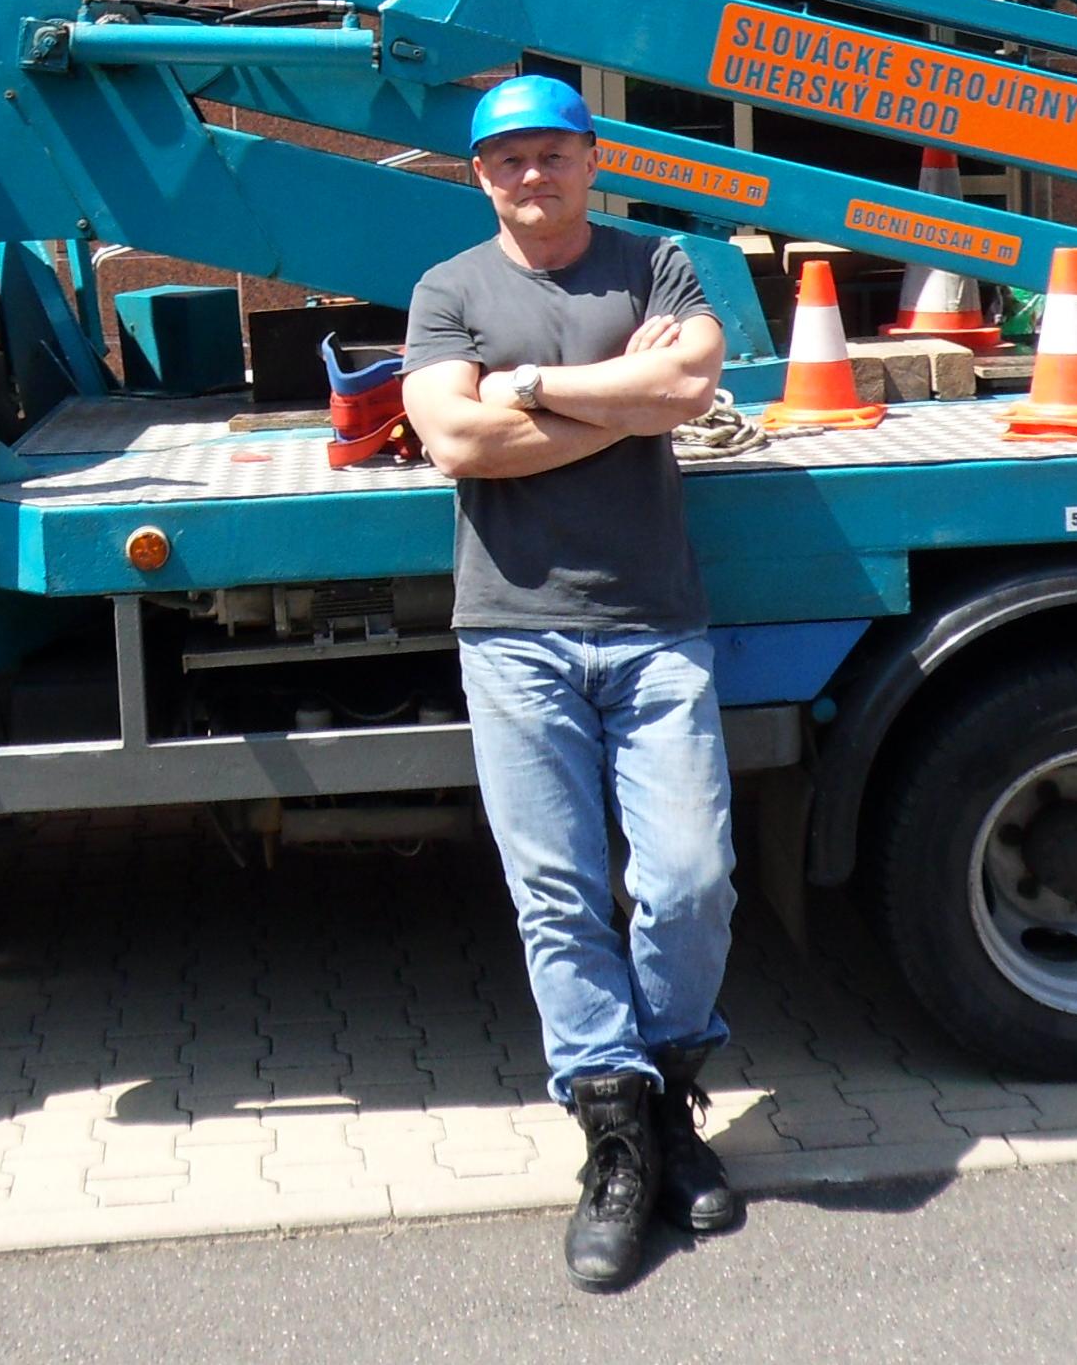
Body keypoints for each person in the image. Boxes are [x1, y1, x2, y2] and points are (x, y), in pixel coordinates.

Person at [400, 75, 741, 1291]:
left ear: (593, 157)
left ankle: (666, 1098)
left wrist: (533, 387)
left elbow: (693, 389)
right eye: (505, 161)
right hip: (514, 631)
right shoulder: (451, 290)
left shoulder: (657, 264)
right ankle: (617, 1139)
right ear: (478, 174)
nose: (529, 177)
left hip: (656, 626)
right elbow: (455, 441)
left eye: (550, 154)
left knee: (689, 876)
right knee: (557, 896)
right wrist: (627, 402)